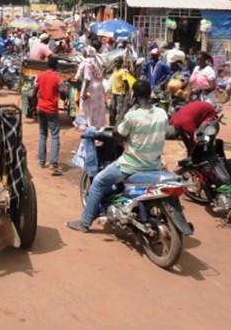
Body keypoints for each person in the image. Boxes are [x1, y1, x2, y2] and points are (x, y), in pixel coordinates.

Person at [66, 80, 169, 232]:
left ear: (134, 95)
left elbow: (116, 134)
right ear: (149, 94)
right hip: (154, 165)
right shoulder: (162, 113)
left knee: (99, 182)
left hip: (131, 165)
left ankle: (85, 223)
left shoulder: (133, 116)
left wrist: (124, 108)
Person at [33, 56, 67, 176]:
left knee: (42, 134)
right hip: (51, 109)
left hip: (40, 108)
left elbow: (34, 89)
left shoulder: (40, 76)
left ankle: (42, 161)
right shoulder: (58, 79)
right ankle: (53, 163)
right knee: (55, 136)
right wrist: (64, 96)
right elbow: (63, 93)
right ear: (56, 66)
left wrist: (34, 104)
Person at [79, 46, 107, 128]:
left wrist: (84, 91)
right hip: (97, 86)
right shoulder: (95, 61)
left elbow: (87, 78)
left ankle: (90, 124)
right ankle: (97, 124)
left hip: (90, 86)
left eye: (84, 51)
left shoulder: (87, 63)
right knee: (96, 106)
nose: (83, 53)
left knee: (88, 106)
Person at [109, 56, 136, 126]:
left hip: (120, 93)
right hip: (114, 93)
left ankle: (119, 124)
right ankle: (112, 124)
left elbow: (126, 83)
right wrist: (113, 65)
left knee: (119, 109)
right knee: (112, 108)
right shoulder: (114, 70)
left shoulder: (123, 72)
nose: (115, 63)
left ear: (121, 63)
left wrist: (125, 93)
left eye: (117, 62)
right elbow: (107, 71)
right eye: (115, 61)